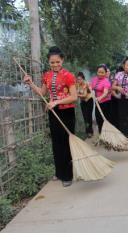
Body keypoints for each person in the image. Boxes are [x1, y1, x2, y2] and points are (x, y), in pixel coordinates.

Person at [23, 46, 77, 187]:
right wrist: (30, 83)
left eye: (57, 62)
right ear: (49, 62)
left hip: (67, 113)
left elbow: (74, 97)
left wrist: (56, 102)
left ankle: (68, 175)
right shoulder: (46, 75)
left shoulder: (69, 76)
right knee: (56, 143)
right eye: (52, 62)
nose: (55, 65)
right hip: (54, 113)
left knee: (66, 144)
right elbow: (42, 92)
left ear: (62, 60)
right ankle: (59, 172)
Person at [90, 64, 112, 134]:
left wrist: (100, 98)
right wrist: (90, 90)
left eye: (102, 72)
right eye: (99, 72)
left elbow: (105, 92)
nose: (100, 74)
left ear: (105, 73)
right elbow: (90, 86)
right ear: (97, 72)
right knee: (98, 119)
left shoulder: (106, 81)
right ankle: (101, 135)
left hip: (106, 103)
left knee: (105, 120)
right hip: (97, 103)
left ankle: (107, 135)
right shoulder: (94, 79)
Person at [76, 72, 93, 138]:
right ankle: (86, 131)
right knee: (84, 117)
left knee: (89, 116)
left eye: (80, 79)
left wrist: (77, 95)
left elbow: (85, 95)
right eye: (77, 79)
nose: (78, 80)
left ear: (83, 79)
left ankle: (90, 132)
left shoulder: (86, 84)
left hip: (89, 101)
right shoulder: (77, 85)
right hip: (83, 102)